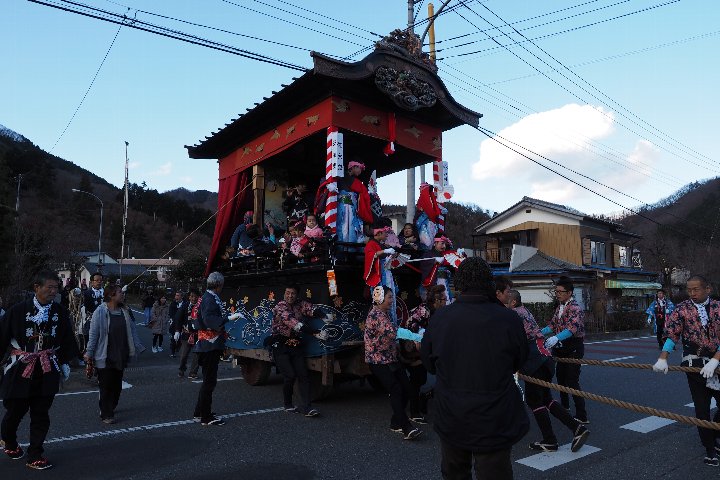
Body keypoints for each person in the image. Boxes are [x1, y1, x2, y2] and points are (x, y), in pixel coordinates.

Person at [421, 257, 529, 480]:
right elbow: (519, 363)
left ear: (459, 284)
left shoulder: (440, 318)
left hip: (451, 412)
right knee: (494, 473)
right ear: (489, 284)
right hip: (495, 414)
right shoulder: (509, 319)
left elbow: (429, 365)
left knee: (454, 472)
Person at [0, 270, 78, 470]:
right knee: (15, 410)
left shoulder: (60, 312)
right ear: (37, 287)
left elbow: (67, 339)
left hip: (47, 368)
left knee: (41, 413)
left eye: (56, 287)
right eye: (49, 287)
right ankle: (8, 440)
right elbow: (1, 338)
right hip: (21, 367)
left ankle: (35, 454)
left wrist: (65, 361)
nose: (54, 291)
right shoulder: (17, 311)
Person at [508, 290, 589, 453]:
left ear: (513, 302)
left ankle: (550, 440)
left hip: (534, 361)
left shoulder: (513, 314)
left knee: (534, 401)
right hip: (545, 356)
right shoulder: (525, 311)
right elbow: (548, 327)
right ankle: (577, 428)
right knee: (546, 399)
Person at [652, 275, 720, 467]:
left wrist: (715, 361)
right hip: (694, 363)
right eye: (689, 290)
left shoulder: (718, 307)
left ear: (708, 289)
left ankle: (715, 434)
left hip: (717, 362)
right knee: (702, 407)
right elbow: (672, 334)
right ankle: (709, 449)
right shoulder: (682, 309)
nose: (692, 293)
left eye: (696, 289)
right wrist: (663, 357)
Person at [365, 286, 422, 440]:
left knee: (408, 388)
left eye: (392, 297)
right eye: (389, 297)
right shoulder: (376, 315)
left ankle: (395, 422)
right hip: (378, 361)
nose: (392, 300)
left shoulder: (386, 313)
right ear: (380, 298)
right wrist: (417, 337)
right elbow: (394, 332)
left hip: (391, 358)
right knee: (396, 389)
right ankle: (406, 427)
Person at [84, 284, 144, 424]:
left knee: (117, 386)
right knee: (105, 385)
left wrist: (138, 346)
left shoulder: (125, 311)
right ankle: (106, 413)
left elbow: (132, 330)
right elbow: (94, 334)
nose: (122, 295)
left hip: (121, 354)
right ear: (111, 295)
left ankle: (110, 406)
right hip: (104, 354)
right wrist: (89, 352)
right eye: (119, 293)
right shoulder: (100, 311)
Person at [270, 285, 328, 417]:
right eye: (288, 293)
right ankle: (288, 404)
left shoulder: (299, 304)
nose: (290, 296)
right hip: (280, 344)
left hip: (296, 344)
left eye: (293, 294)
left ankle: (307, 407)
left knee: (303, 375)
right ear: (284, 293)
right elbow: (295, 324)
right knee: (290, 375)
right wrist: (316, 333)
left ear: (297, 295)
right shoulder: (280, 307)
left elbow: (310, 309)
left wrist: (324, 316)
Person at [193, 272, 240, 426]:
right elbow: (208, 319)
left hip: (207, 343)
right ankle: (206, 417)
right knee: (209, 381)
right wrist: (228, 318)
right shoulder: (209, 298)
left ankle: (200, 413)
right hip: (209, 344)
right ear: (219, 285)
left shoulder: (206, 297)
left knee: (208, 381)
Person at [542, 276, 589, 425]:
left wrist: (556, 338)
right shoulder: (560, 307)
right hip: (561, 348)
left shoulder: (576, 308)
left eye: (560, 292)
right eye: (556, 291)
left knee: (572, 380)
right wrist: (537, 333)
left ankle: (582, 414)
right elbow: (552, 325)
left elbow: (571, 329)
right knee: (561, 378)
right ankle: (564, 407)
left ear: (569, 293)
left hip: (574, 347)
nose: (558, 294)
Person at [399, 284, 447, 423]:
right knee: (417, 377)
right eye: (443, 299)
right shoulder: (424, 310)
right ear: (436, 301)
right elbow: (411, 325)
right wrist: (418, 337)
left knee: (421, 378)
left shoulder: (437, 312)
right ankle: (414, 412)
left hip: (423, 347)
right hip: (410, 347)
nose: (445, 301)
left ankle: (419, 402)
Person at [177, 288, 200, 379]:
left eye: (195, 296)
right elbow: (178, 318)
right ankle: (182, 369)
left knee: (197, 354)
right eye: (191, 296)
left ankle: (193, 372)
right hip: (186, 333)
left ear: (198, 297)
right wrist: (177, 330)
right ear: (189, 297)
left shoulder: (201, 307)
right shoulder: (185, 305)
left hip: (198, 334)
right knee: (184, 354)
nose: (193, 298)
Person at [82, 272, 104, 341]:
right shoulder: (86, 293)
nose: (99, 282)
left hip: (104, 320)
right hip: (90, 321)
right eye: (97, 280)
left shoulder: (106, 293)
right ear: (91, 282)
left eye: (101, 280)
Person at [168, 291, 183, 358]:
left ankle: (178, 346)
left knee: (180, 338)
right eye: (176, 295)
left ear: (181, 296)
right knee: (173, 338)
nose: (176, 297)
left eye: (178, 295)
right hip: (174, 323)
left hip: (182, 324)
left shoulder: (185, 304)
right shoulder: (173, 304)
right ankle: (172, 352)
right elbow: (171, 314)